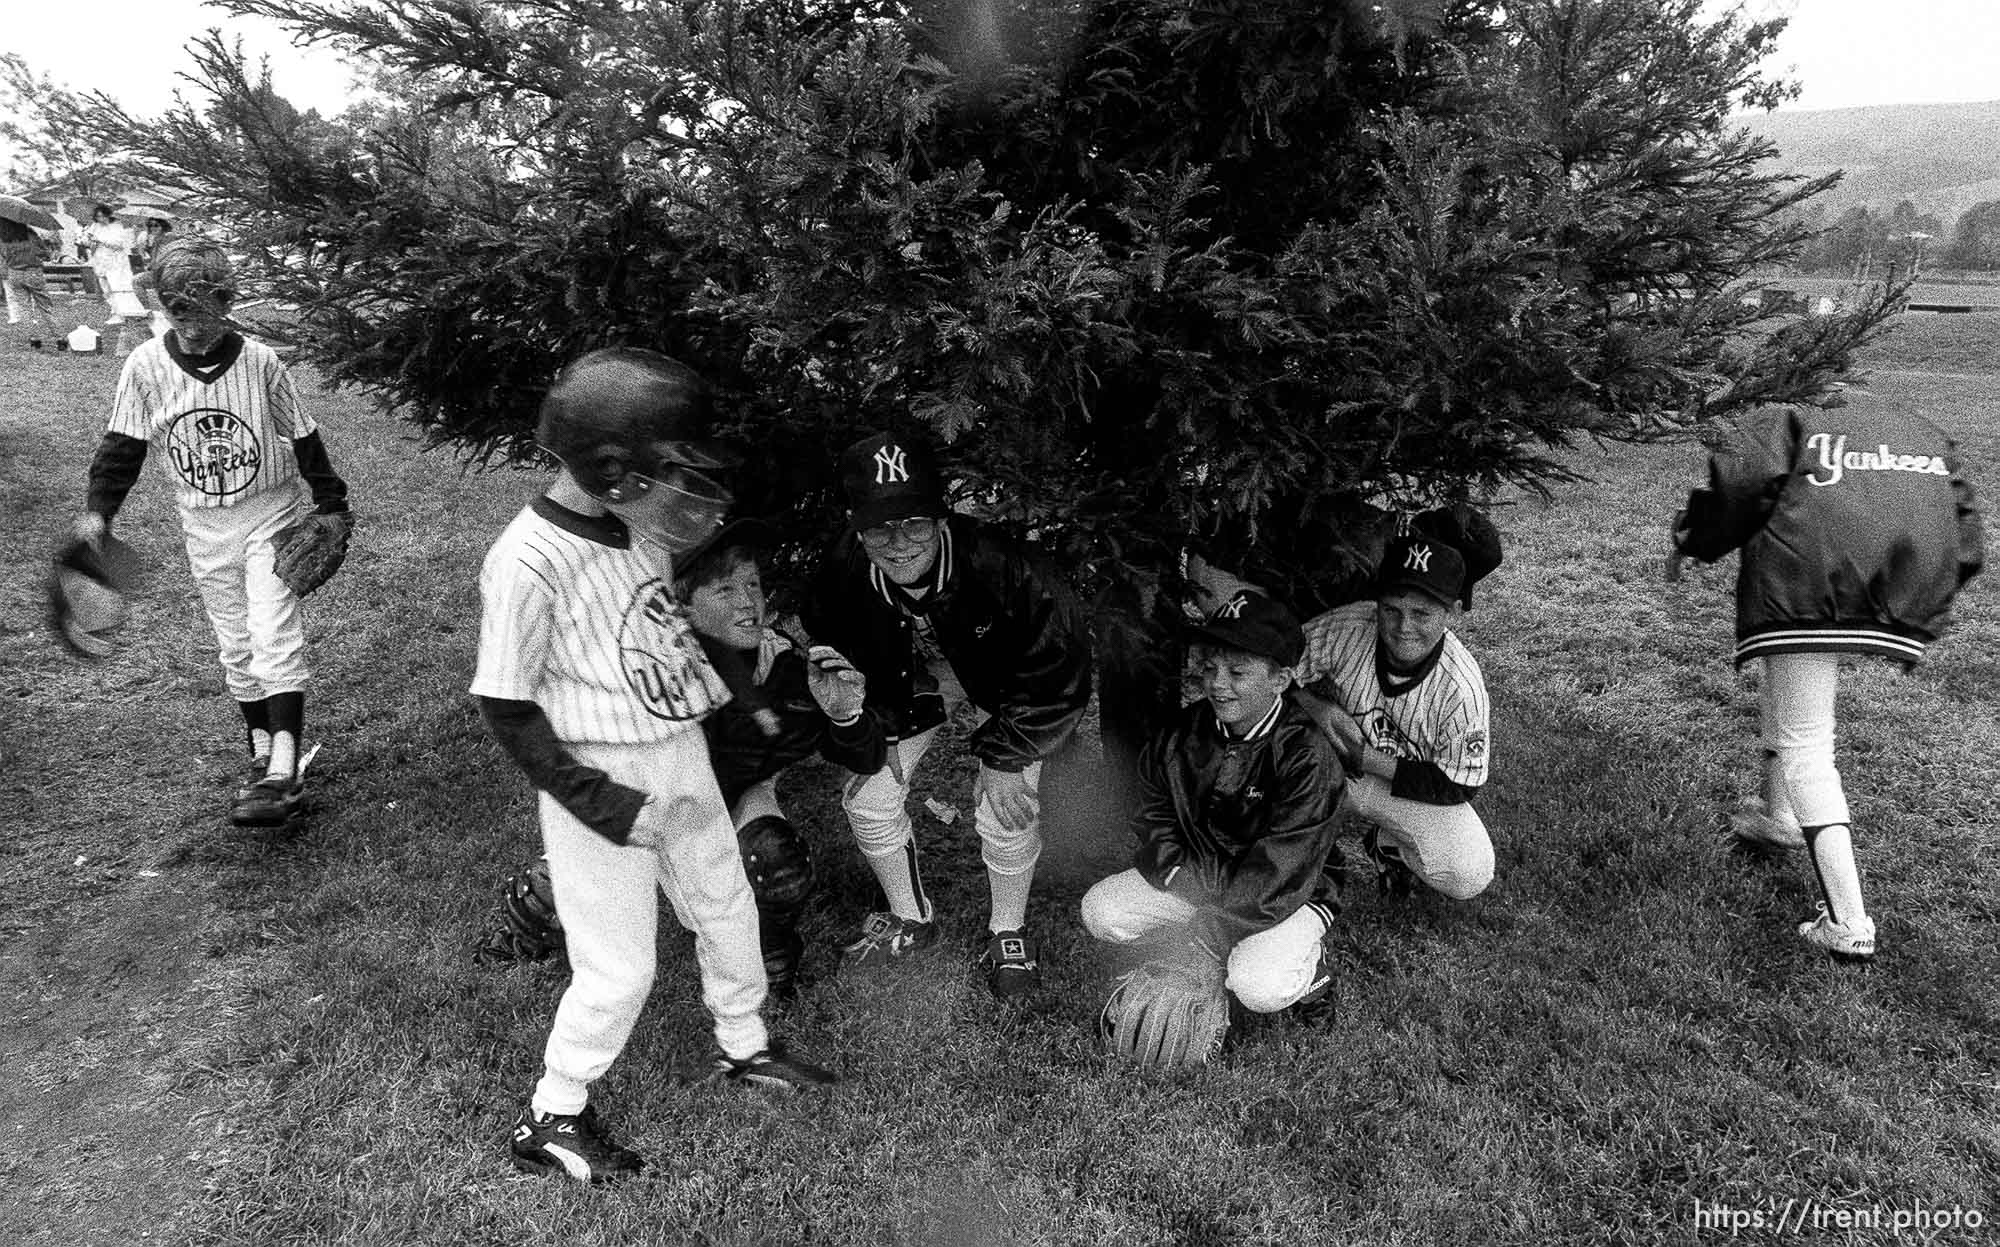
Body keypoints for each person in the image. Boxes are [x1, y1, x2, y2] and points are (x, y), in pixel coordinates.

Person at [472, 347, 837, 1186]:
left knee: (727, 903)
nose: (681, 486)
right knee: (620, 963)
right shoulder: (526, 560)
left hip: (676, 751)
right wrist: (597, 802)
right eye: (666, 466)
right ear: (610, 465)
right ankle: (552, 1111)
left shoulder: (636, 528)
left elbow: (657, 630)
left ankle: (743, 1046)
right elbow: (505, 702)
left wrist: (739, 689)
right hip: (597, 774)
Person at [474, 519, 888, 998]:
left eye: (753, 585)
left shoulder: (787, 672)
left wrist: (845, 713)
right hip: (649, 800)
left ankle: (769, 955)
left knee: (775, 861)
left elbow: (864, 757)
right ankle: (518, 937)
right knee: (548, 893)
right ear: (683, 606)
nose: (748, 602)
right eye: (725, 589)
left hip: (732, 798)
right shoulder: (644, 670)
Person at [1670, 387, 1982, 961]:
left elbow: (1740, 486)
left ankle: (1848, 921)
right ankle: (1777, 817)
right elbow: (1963, 527)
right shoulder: (1915, 423)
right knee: (1791, 698)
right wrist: (1928, 594)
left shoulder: (1789, 417)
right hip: (1889, 580)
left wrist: (1694, 537)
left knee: (1807, 747)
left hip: (1805, 586)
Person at [800, 431, 1094, 998]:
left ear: (941, 519)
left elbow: (1059, 671)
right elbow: (836, 660)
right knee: (867, 797)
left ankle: (1007, 929)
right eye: (880, 526)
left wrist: (1007, 754)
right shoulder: (840, 570)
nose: (899, 541)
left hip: (1009, 684)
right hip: (907, 685)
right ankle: (910, 916)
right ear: (857, 528)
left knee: (1005, 804)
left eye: (913, 522)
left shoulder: (1005, 567)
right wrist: (862, 728)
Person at [71, 238, 351, 825]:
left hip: (271, 513)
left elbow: (302, 434)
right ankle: (261, 752)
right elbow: (122, 446)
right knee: (237, 642)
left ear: (227, 303)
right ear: (163, 308)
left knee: (273, 629)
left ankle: (284, 771)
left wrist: (331, 502)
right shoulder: (145, 365)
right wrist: (100, 511)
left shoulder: (259, 362)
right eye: (180, 312)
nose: (194, 326)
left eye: (206, 310)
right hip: (205, 524)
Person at [1080, 589, 1345, 1019]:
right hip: (1204, 873)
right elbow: (1153, 815)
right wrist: (1177, 871)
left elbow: (1284, 867)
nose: (1218, 684)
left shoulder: (1307, 754)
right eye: (1211, 668)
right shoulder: (1181, 733)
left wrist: (1203, 938)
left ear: (1280, 680)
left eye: (1238, 672)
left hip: (1289, 891)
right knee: (1103, 911)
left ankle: (1309, 970)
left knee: (1257, 987)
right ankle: (1214, 941)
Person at [1293, 534, 1497, 901]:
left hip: (1394, 782)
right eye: (1392, 609)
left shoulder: (1460, 688)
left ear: (1451, 612)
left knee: (1469, 871)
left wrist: (1368, 759)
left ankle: (1387, 844)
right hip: (1330, 766)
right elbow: (1272, 674)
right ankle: (1300, 854)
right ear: (1377, 603)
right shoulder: (1347, 628)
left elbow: (1460, 785)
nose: (1404, 627)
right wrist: (1315, 707)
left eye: (1422, 613)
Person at [84, 204, 147, 324]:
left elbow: (118, 244)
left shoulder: (117, 227)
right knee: (106, 289)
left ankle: (129, 313)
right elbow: (87, 241)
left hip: (116, 263)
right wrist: (87, 239)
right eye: (97, 217)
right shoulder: (95, 226)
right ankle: (115, 312)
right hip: (100, 262)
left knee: (118, 287)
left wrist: (100, 240)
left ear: (107, 215)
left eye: (102, 216)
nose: (100, 219)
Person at [1, 218, 57, 349]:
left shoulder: (3, 238)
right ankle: (60, 338)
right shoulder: (30, 234)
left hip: (14, 274)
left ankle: (34, 339)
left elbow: (3, 256)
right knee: (45, 307)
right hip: (33, 272)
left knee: (25, 308)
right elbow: (45, 253)